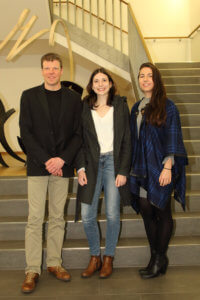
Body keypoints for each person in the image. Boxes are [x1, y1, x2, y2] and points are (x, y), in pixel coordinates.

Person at [19, 53, 82, 293]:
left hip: (63, 167)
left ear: (62, 70)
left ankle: (54, 263)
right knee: (35, 219)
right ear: (42, 70)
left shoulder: (74, 99)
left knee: (57, 217)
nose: (51, 72)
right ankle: (32, 269)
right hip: (38, 166)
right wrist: (47, 160)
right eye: (47, 68)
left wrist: (62, 159)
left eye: (55, 68)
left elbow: (78, 134)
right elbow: (26, 133)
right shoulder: (29, 96)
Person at [130, 62, 188, 279]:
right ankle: (157, 257)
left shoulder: (168, 105)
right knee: (146, 210)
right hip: (142, 169)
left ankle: (158, 259)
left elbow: (173, 135)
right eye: (141, 75)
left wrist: (168, 166)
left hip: (161, 167)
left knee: (162, 210)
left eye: (149, 75)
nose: (145, 79)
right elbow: (134, 139)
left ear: (156, 79)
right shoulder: (136, 107)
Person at [76, 68, 132, 279]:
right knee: (87, 215)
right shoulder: (85, 106)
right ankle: (94, 256)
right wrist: (80, 168)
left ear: (110, 83)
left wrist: (124, 170)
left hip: (113, 163)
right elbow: (78, 139)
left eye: (104, 80)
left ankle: (108, 257)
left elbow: (127, 140)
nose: (100, 84)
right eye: (96, 81)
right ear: (91, 84)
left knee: (112, 213)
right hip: (90, 164)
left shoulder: (120, 105)